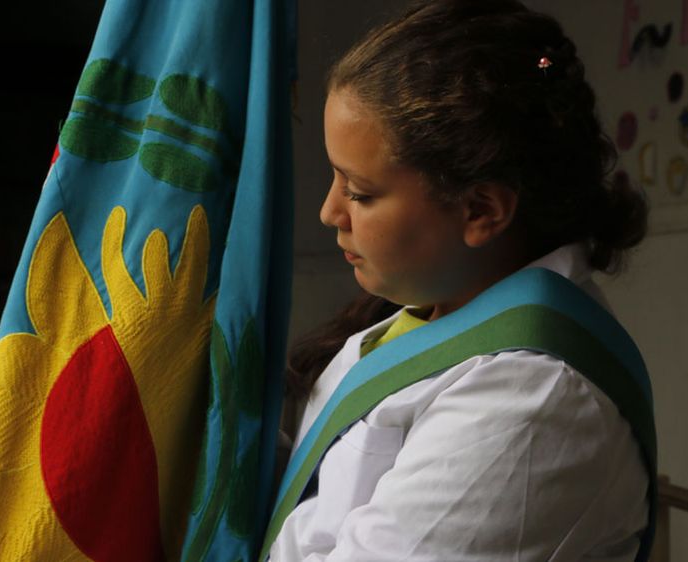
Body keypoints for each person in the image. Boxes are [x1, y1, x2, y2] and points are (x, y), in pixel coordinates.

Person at [265, 1, 654, 560]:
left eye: (360, 192)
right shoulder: (430, 312)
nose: (330, 211)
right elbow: (319, 487)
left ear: (481, 211)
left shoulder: (534, 400)